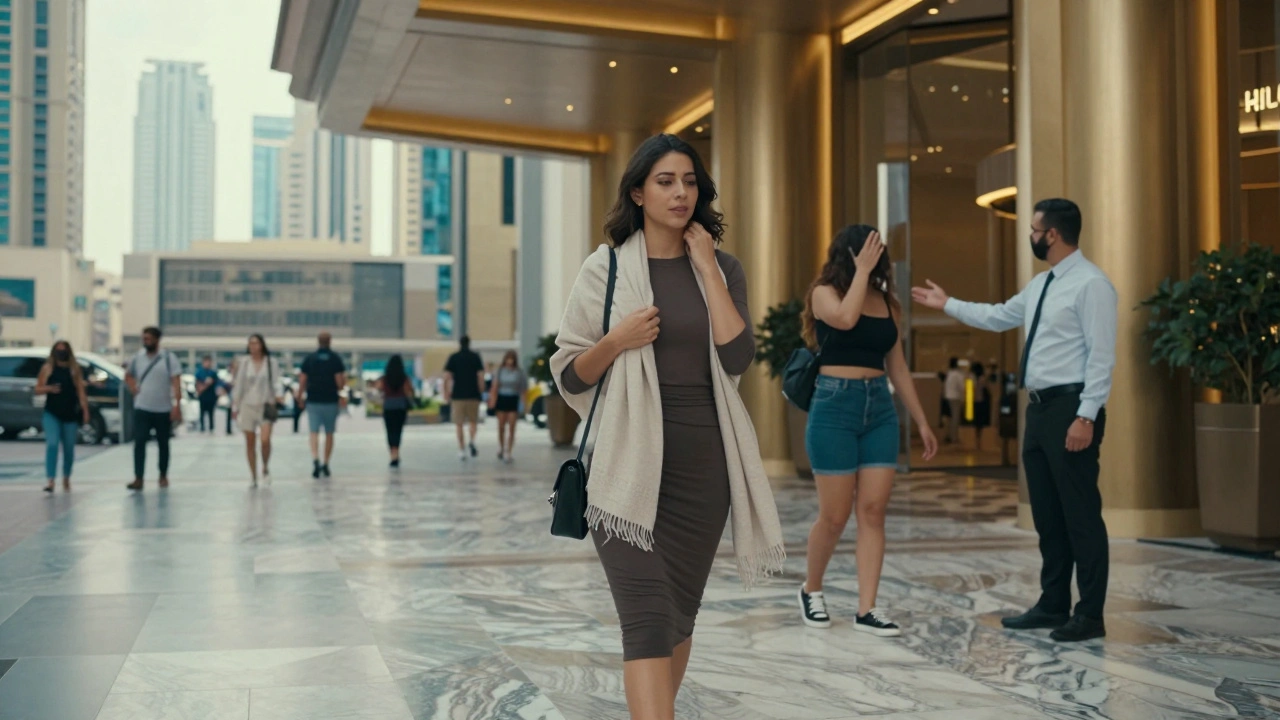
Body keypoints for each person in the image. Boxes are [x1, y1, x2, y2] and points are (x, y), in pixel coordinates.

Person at [550, 133, 785, 720]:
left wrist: (706, 269)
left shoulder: (723, 268)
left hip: (703, 472)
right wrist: (616, 340)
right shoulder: (604, 269)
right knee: (648, 620)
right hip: (625, 468)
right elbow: (569, 375)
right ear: (638, 192)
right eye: (665, 181)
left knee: (678, 617)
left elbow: (737, 358)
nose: (681, 193)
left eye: (689, 181)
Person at [912, 197, 1117, 642]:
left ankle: (1090, 615)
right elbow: (998, 316)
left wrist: (1086, 416)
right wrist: (948, 304)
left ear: (1052, 234)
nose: (1031, 237)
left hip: (1071, 408)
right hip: (1039, 410)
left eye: (1034, 230)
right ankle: (1053, 604)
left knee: (1080, 514)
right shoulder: (1042, 284)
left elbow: (1101, 357)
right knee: (1047, 514)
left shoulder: (1092, 284)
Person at [797, 224, 939, 637]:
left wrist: (922, 421)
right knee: (834, 516)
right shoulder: (824, 293)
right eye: (868, 251)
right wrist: (861, 273)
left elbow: (898, 366)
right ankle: (811, 589)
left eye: (879, 252)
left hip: (879, 408)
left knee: (873, 511)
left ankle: (867, 608)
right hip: (833, 406)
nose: (876, 258)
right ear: (851, 254)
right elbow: (844, 319)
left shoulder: (888, 303)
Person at [125, 326, 182, 491]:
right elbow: (128, 375)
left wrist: (177, 405)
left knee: (163, 444)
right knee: (139, 442)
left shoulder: (168, 358)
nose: (146, 342)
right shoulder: (137, 357)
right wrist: (133, 388)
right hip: (142, 407)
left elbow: (176, 382)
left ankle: (163, 475)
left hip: (163, 409)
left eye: (149, 339)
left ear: (157, 340)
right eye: (144, 339)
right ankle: (139, 478)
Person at [34, 340, 90, 493]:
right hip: (52, 412)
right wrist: (49, 388)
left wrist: (85, 410)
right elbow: (37, 389)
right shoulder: (48, 368)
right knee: (52, 444)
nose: (61, 353)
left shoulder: (74, 369)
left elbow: (80, 390)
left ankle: (66, 477)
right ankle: (51, 479)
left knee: (69, 447)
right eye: (58, 350)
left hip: (70, 413)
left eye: (63, 350)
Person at [231, 334, 284, 487]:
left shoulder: (270, 362)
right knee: (250, 442)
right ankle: (253, 475)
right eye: (251, 343)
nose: (253, 346)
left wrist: (279, 395)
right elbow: (239, 384)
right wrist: (235, 405)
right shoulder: (244, 362)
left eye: (256, 343)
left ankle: (265, 467)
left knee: (265, 440)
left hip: (266, 404)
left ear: (262, 345)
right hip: (247, 405)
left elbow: (276, 381)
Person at [297, 332, 347, 479]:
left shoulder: (310, 359)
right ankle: (326, 462)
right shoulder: (335, 359)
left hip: (313, 400)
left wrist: (299, 396)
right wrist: (341, 393)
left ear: (318, 341)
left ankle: (315, 458)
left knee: (314, 431)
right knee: (329, 433)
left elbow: (302, 379)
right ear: (330, 341)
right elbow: (339, 381)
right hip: (330, 400)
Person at [443, 336, 485, 461]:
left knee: (459, 424)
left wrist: (446, 392)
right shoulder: (475, 357)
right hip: (473, 394)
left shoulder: (454, 357)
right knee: (473, 421)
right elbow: (480, 376)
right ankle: (471, 440)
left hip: (458, 395)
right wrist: (481, 390)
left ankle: (461, 449)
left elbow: (447, 376)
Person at [488, 350, 527, 463]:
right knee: (501, 426)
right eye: (508, 358)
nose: (510, 361)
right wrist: (492, 400)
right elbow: (494, 386)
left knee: (512, 426)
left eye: (512, 359)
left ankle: (508, 451)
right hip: (502, 398)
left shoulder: (519, 372)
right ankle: (501, 447)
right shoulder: (500, 371)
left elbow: (523, 389)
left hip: (513, 399)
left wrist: (524, 404)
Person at [379, 354, 414, 468]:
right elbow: (409, 391)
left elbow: (380, 389)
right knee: (398, 431)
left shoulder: (385, 378)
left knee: (390, 431)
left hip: (388, 406)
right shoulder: (404, 378)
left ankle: (393, 455)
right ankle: (397, 453)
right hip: (400, 406)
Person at [969, 362, 993, 450]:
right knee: (980, 422)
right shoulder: (983, 378)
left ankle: (977, 440)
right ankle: (978, 441)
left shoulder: (972, 378)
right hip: (982, 402)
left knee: (976, 422)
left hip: (974, 401)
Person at [944, 357, 966, 443]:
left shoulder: (949, 373)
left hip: (948, 396)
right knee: (955, 418)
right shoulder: (958, 374)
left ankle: (949, 435)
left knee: (949, 418)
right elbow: (962, 386)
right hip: (956, 397)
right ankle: (954, 437)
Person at [195, 355, 219, 433]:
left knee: (211, 412)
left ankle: (211, 427)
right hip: (203, 396)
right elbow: (197, 383)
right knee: (202, 412)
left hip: (211, 396)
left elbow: (217, 383)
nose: (208, 363)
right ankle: (202, 427)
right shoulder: (199, 372)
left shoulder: (213, 373)